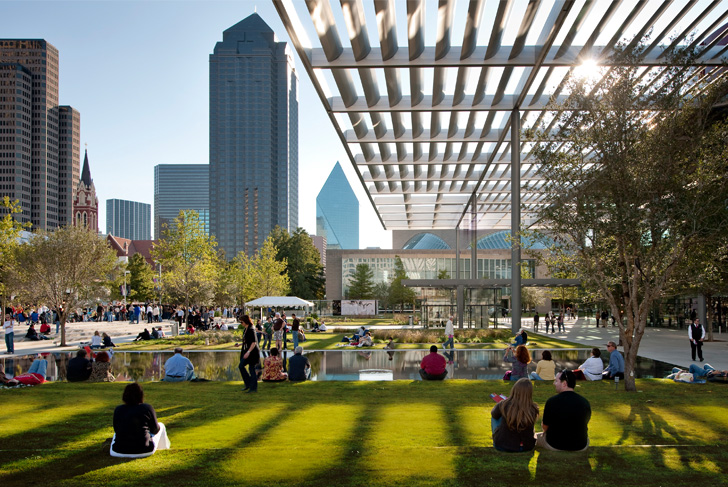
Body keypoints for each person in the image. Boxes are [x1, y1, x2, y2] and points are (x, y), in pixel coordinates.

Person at [535, 370, 591, 451]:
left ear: (564, 383)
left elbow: (545, 427)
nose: (554, 383)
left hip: (555, 444)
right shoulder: (585, 402)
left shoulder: (552, 401)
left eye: (556, 381)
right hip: (580, 445)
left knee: (534, 437)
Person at [111, 382, 170, 458]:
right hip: (144, 450)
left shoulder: (118, 409)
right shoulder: (147, 408)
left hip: (118, 451)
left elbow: (116, 429)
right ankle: (165, 450)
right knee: (161, 426)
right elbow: (155, 429)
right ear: (141, 395)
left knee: (117, 434)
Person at [491, 378, 539, 452]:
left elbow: (494, 415)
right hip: (527, 446)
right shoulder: (533, 408)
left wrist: (500, 406)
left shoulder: (504, 404)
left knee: (496, 417)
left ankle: (499, 436)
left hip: (503, 446)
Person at [239, 315, 260, 392]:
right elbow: (247, 341)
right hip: (247, 350)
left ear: (245, 321)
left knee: (252, 369)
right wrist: (240, 344)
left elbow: (254, 342)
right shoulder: (246, 329)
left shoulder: (251, 329)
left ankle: (253, 388)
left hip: (252, 352)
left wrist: (248, 352)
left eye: (242, 322)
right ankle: (248, 383)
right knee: (241, 366)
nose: (241, 323)